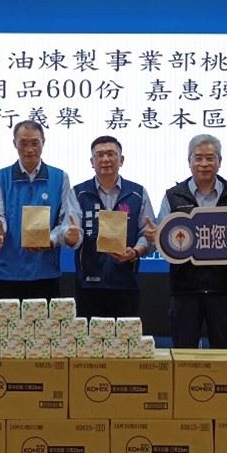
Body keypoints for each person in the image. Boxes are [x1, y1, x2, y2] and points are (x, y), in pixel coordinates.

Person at [148, 134, 227, 348]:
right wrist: (155, 236)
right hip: (185, 290)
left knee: (224, 355)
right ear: (189, 161)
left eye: (210, 158)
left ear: (220, 161)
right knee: (184, 354)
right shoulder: (173, 196)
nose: (204, 164)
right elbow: (162, 237)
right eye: (198, 158)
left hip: (224, 290)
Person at [0, 120, 82, 301]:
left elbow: (64, 220)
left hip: (45, 272)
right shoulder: (0, 177)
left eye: (35, 143)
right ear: (14, 143)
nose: (29, 149)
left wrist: (52, 239)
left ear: (43, 143)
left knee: (47, 321)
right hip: (7, 272)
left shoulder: (60, 177)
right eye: (23, 143)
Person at [72, 136, 155, 318]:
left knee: (125, 334)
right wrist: (70, 236)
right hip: (89, 283)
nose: (105, 159)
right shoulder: (78, 193)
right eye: (100, 155)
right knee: (90, 335)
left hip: (126, 281)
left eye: (111, 154)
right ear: (92, 162)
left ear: (121, 160)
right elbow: (73, 233)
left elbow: (147, 233)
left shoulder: (137, 193)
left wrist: (135, 251)